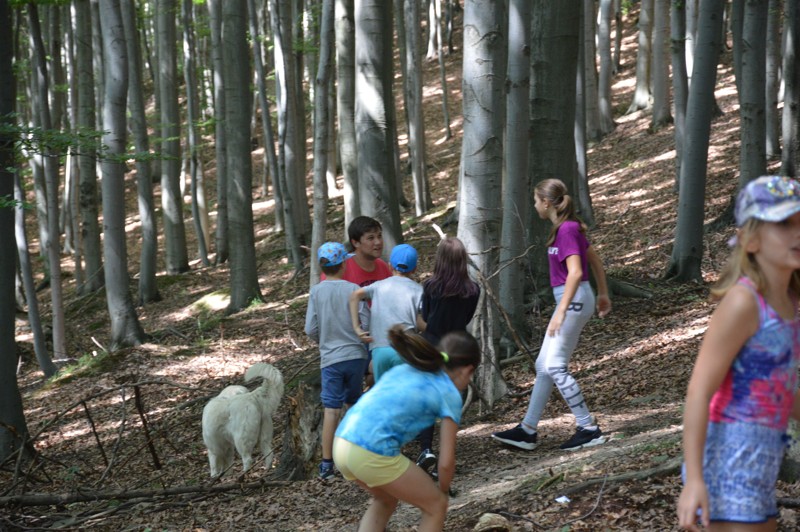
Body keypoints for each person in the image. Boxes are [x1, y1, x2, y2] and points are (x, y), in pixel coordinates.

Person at [677, 175, 800, 531]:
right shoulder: (744, 303)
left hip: (763, 460)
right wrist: (695, 481)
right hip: (726, 459)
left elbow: (778, 388)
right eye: (783, 223)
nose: (797, 232)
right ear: (750, 239)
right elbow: (699, 392)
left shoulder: (790, 304)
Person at [492, 178, 611, 451]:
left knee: (555, 366)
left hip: (573, 299)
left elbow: (577, 272)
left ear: (546, 202)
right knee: (544, 366)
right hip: (575, 298)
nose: (535, 206)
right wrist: (603, 293)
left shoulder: (568, 229)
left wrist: (560, 312)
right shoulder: (566, 228)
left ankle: (588, 427)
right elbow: (593, 259)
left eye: (536, 200)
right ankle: (527, 430)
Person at [333, 325, 480, 532]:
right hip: (370, 450)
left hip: (342, 442)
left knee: (386, 500)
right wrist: (443, 491)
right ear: (467, 370)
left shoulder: (408, 369)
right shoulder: (449, 393)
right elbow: (446, 463)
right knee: (436, 506)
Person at [305, 242, 370, 480]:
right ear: (343, 264)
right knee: (353, 405)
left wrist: (324, 340)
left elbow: (310, 328)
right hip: (355, 356)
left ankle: (326, 465)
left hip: (330, 359)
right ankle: (356, 459)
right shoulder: (353, 289)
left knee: (331, 411)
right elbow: (365, 320)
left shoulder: (316, 291)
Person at [416, 237, 481, 473]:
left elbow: (426, 316)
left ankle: (426, 449)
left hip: (432, 346)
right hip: (458, 348)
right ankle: (447, 456)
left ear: (440, 260)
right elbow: (466, 319)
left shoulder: (430, 286)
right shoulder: (473, 290)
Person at [349, 243, 424, 381]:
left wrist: (357, 328)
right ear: (414, 269)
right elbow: (422, 322)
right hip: (406, 349)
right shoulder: (419, 290)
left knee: (384, 394)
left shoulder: (379, 286)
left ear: (389, 266)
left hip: (380, 350)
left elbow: (355, 295)